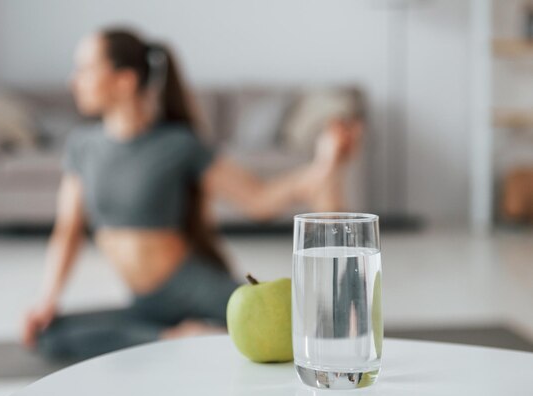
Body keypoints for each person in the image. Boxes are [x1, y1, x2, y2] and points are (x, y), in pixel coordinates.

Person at [22, 28, 361, 361]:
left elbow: (259, 200)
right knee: (48, 335)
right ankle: (173, 337)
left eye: (85, 69)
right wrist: (46, 301)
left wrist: (324, 165)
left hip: (192, 288)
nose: (73, 80)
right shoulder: (83, 147)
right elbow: (68, 230)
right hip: (145, 302)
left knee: (309, 328)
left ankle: (183, 337)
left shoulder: (179, 144)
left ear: (124, 80)